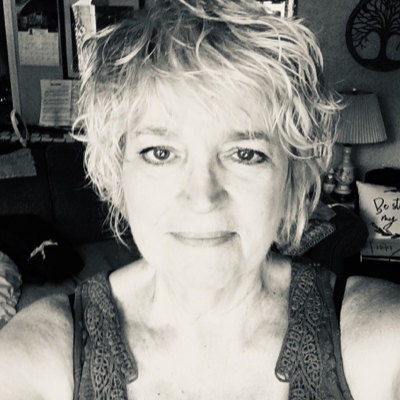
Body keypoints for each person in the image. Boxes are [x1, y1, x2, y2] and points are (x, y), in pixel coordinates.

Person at [1, 0, 400, 399]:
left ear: (291, 177)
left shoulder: (379, 340)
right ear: (116, 173)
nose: (203, 198)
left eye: (245, 154)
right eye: (160, 152)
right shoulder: (35, 357)